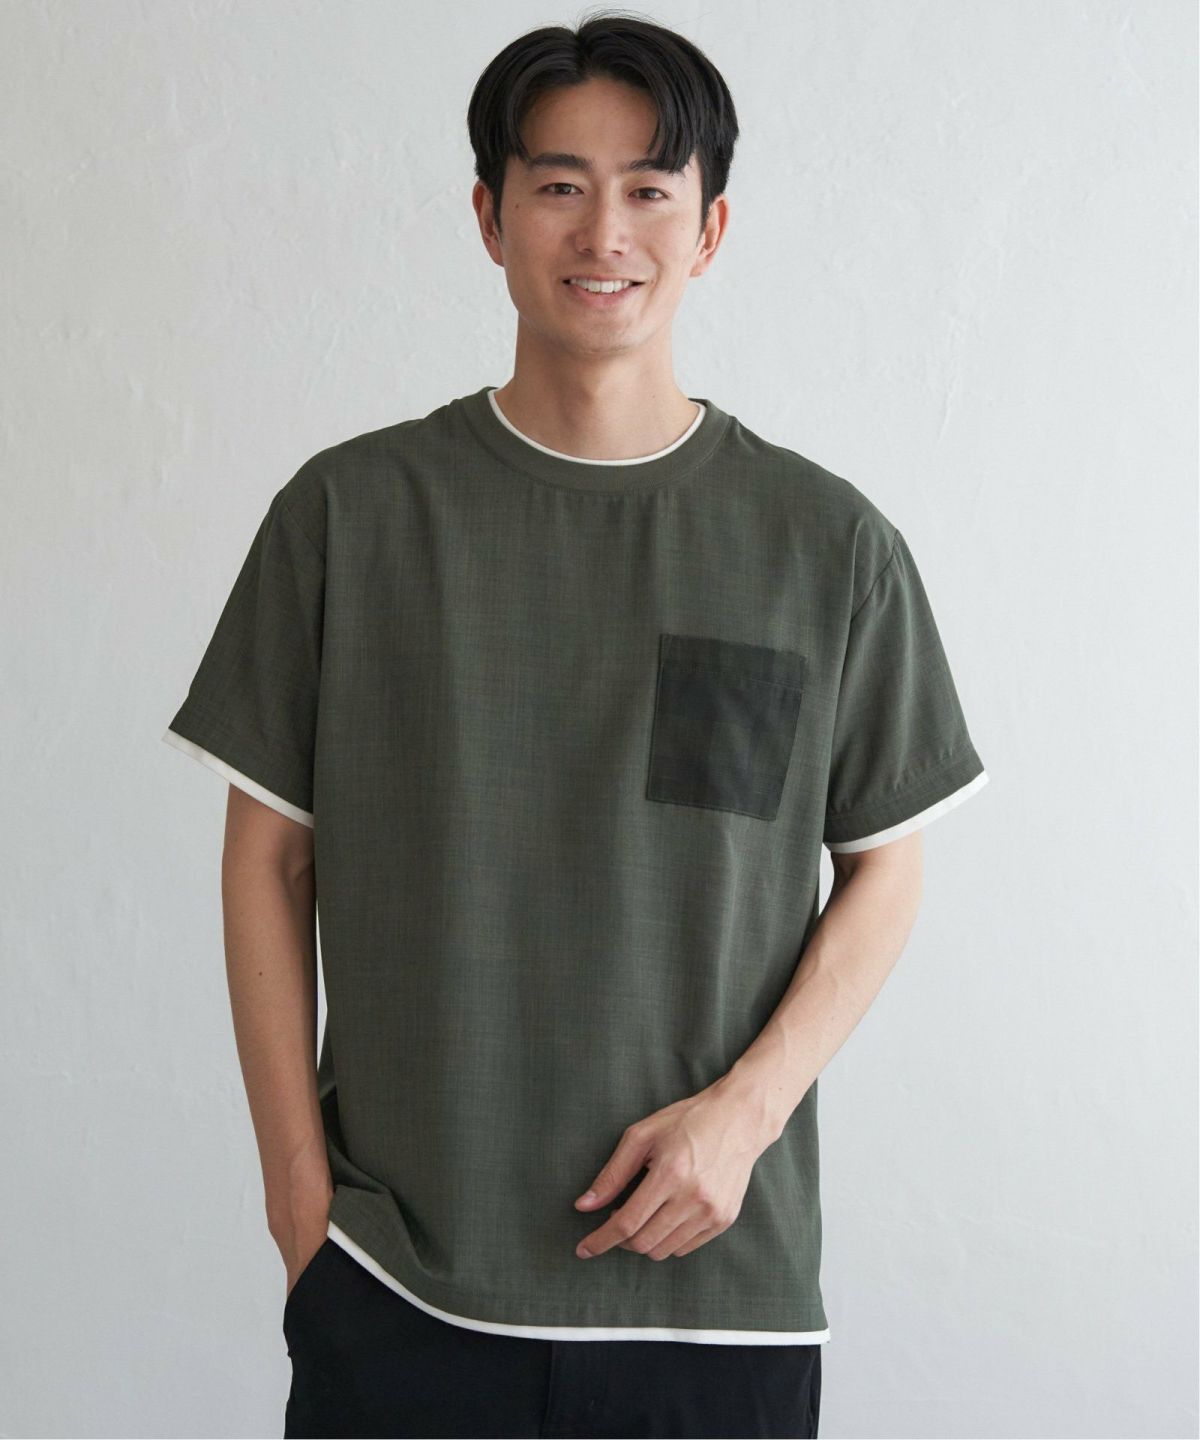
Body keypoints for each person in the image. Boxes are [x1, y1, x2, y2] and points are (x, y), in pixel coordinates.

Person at [162, 11, 989, 1438]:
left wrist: (745, 1115)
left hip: (714, 1295)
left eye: (650, 190)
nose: (604, 231)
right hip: (402, 1284)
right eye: (558, 185)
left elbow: (887, 867)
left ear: (710, 228)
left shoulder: (823, 544)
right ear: (490, 217)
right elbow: (267, 860)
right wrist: (301, 1206)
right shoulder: (351, 516)